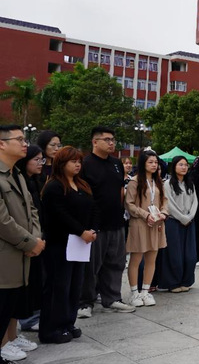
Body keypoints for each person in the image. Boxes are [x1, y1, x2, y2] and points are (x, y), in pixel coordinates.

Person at [38, 146, 95, 346]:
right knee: (58, 286)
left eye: (79, 161)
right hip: (60, 243)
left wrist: (91, 230)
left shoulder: (82, 184)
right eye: (73, 161)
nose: (78, 164)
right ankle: (51, 328)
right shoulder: (54, 186)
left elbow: (91, 208)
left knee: (74, 285)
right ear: (62, 164)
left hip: (80, 243)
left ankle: (68, 322)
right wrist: (81, 231)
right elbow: (60, 215)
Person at [77, 127, 135, 319]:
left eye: (113, 140)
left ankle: (112, 298)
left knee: (116, 262)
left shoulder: (116, 163)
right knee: (91, 266)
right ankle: (85, 302)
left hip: (116, 221)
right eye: (107, 139)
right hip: (95, 224)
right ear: (95, 142)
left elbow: (119, 190)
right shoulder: (85, 164)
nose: (112, 143)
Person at [0, 125, 45, 364]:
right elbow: (2, 221)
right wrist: (30, 242)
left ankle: (9, 341)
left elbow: (32, 210)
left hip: (22, 253)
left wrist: (35, 239)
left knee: (12, 304)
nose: (25, 143)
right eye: (19, 139)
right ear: (2, 144)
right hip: (6, 255)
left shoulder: (16, 174)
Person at [125, 150, 168, 307]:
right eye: (150, 162)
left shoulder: (158, 181)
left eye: (156, 162)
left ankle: (145, 291)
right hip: (139, 223)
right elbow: (129, 204)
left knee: (151, 258)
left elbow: (165, 200)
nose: (154, 165)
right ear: (143, 164)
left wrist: (163, 213)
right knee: (136, 259)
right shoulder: (135, 181)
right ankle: (134, 292)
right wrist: (145, 214)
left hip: (156, 223)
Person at [161, 156, 198, 293]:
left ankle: (186, 281)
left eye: (186, 165)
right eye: (180, 164)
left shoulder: (190, 183)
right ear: (174, 166)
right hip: (173, 222)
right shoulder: (168, 184)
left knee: (190, 254)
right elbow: (168, 204)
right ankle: (173, 282)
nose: (184, 167)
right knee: (174, 254)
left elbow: (195, 202)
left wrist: (190, 216)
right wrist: (182, 218)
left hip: (189, 222)